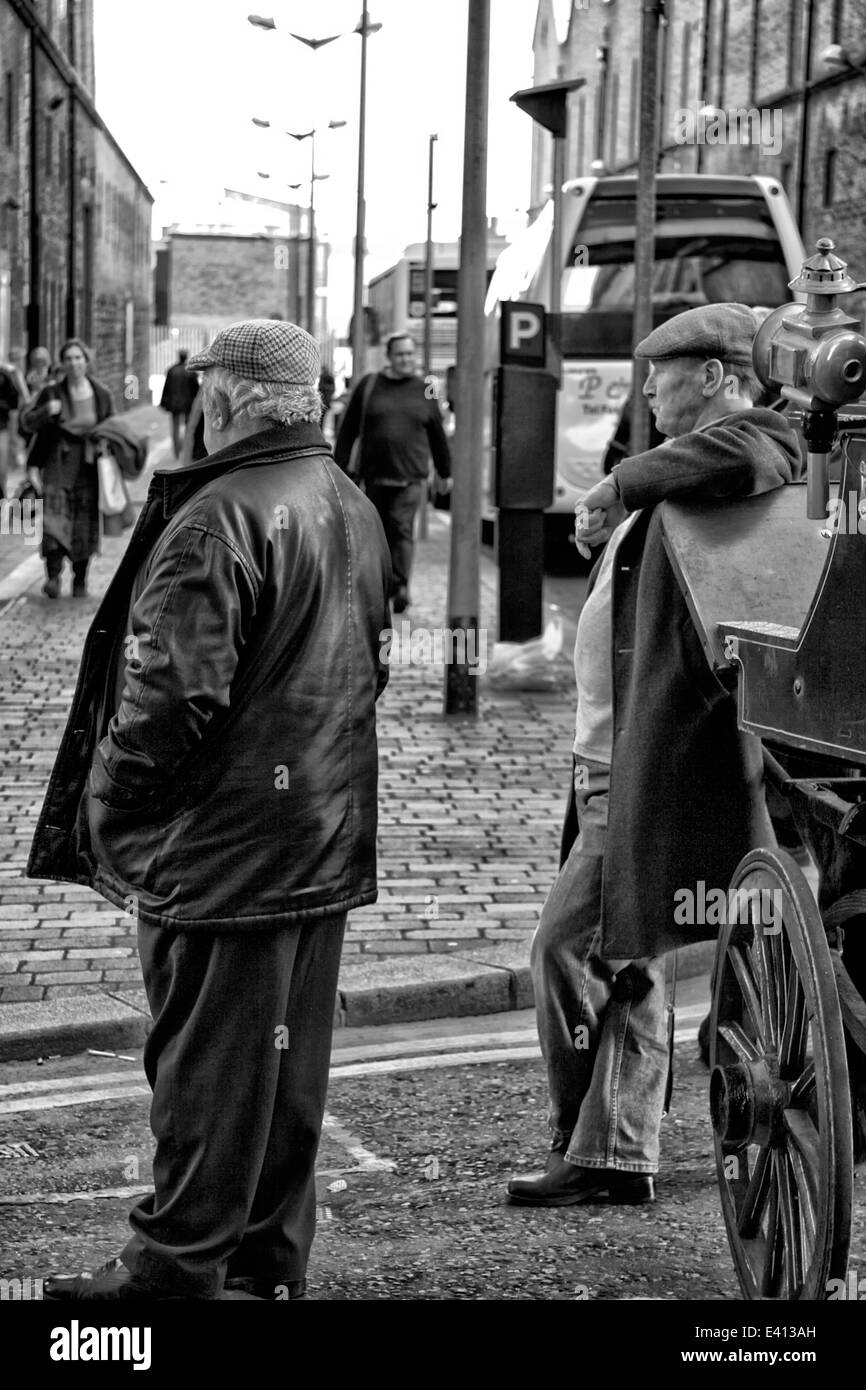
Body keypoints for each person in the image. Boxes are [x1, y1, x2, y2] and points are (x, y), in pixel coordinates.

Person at [31, 318, 391, 1301]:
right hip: (320, 839)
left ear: (224, 398)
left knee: (204, 1074)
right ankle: (265, 1268)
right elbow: (375, 661)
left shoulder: (218, 512)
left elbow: (168, 698)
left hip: (225, 853)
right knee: (281, 1082)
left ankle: (174, 1271)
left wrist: (111, 800)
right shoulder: (349, 502)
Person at [506, 303, 802, 1209]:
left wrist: (619, 486)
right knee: (626, 956)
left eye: (660, 374)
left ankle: (582, 1140)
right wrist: (619, 514)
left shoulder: (751, 445)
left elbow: (765, 449)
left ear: (714, 375)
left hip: (647, 764)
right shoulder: (679, 478)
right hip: (604, 756)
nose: (645, 389)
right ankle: (615, 1153)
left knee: (565, 947)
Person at [334, 332, 452, 613]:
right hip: (372, 477)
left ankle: (399, 586)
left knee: (400, 529)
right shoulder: (369, 384)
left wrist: (444, 472)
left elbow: (437, 432)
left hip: (410, 477)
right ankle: (379, 584)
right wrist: (338, 469)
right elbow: (348, 429)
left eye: (410, 354)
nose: (406, 359)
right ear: (389, 357)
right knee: (375, 533)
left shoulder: (426, 388)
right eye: (400, 354)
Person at [20, 338, 113, 598]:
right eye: (68, 358)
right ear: (62, 363)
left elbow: (110, 428)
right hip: (57, 462)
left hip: (88, 465)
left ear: (86, 361)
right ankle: (53, 576)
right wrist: (45, 412)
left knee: (84, 522)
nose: (73, 363)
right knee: (54, 519)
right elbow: (26, 423)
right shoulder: (52, 393)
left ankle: (80, 578)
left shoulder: (101, 394)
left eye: (78, 358)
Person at [159, 348, 200, 459]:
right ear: (186, 357)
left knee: (175, 428)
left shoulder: (172, 370)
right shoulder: (191, 371)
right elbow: (196, 390)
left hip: (174, 404)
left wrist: (163, 402)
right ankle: (186, 450)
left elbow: (166, 388)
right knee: (188, 428)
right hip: (188, 404)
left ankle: (176, 452)